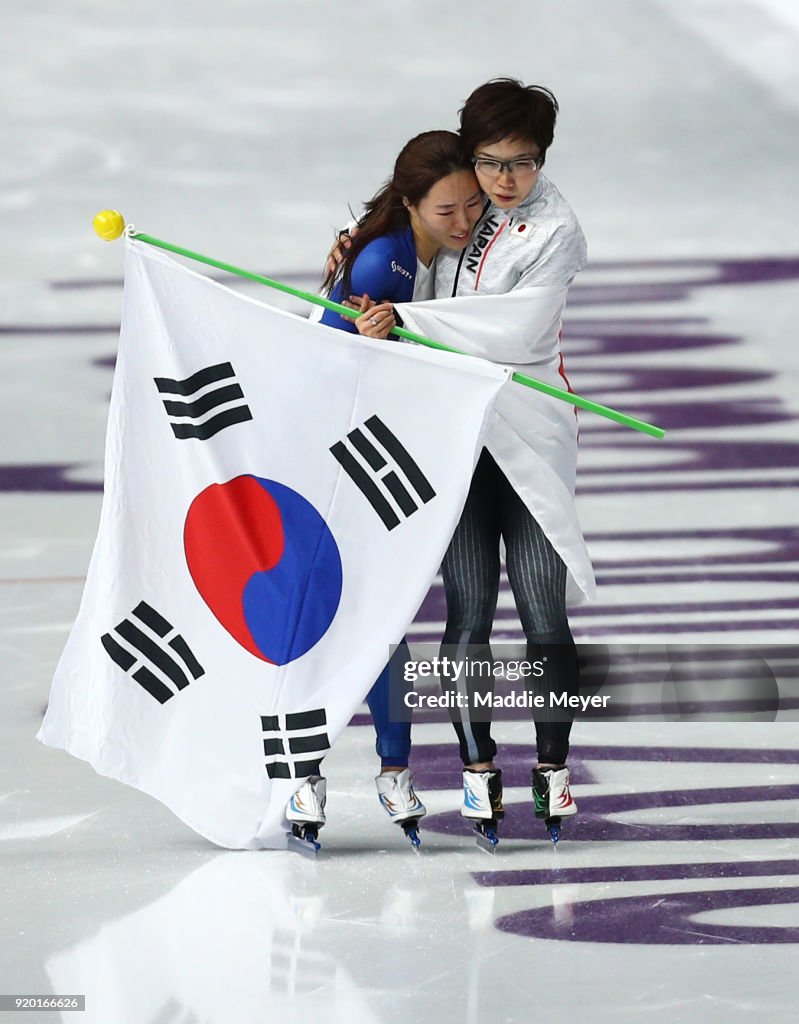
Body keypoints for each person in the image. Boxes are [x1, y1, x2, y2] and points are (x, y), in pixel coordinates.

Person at [330, 79, 595, 847]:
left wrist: (403, 319)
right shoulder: (455, 195)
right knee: (467, 612)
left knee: (544, 610)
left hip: (528, 428)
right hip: (453, 433)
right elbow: (396, 230)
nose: (502, 182)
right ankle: (478, 773)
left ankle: (552, 769)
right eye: (489, 163)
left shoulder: (556, 232)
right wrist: (357, 263)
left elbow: (513, 331)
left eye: (523, 163)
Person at [285, 130, 484, 850]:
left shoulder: (423, 245)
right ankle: (306, 776)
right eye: (444, 212)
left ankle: (390, 769)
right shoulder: (383, 259)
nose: (462, 223)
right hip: (339, 458)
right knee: (331, 614)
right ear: (408, 204)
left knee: (385, 614)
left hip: (381, 455)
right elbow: (342, 367)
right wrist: (381, 338)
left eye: (470, 206)